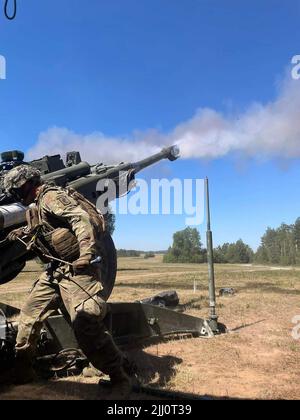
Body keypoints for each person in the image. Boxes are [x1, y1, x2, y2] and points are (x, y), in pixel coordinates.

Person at [3, 165, 131, 398]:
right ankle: (23, 371)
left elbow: (80, 219)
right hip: (54, 272)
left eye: (16, 188)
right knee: (29, 316)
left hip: (76, 269)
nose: (15, 194)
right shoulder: (36, 207)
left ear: (28, 183)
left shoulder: (51, 196)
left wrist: (86, 254)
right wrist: (21, 233)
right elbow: (44, 230)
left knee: (86, 323)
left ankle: (119, 377)